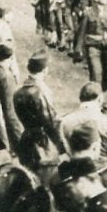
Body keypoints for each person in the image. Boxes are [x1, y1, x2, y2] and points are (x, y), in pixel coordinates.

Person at [13, 51, 65, 181]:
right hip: (43, 145)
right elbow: (51, 122)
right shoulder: (41, 91)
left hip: (26, 141)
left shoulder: (19, 91)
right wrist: (62, 148)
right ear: (45, 70)